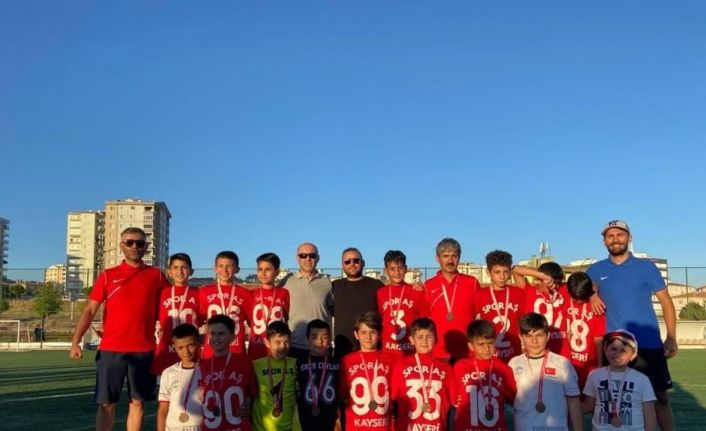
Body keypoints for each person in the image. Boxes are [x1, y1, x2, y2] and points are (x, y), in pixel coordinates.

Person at [69, 227, 169, 431]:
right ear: (121, 245)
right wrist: (75, 341)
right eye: (129, 242)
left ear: (146, 247)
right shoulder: (108, 275)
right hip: (111, 349)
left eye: (140, 243)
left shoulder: (157, 275)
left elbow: (170, 304)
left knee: (137, 402)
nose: (135, 247)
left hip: (144, 350)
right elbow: (90, 310)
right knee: (106, 403)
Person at [587, 219, 677, 431]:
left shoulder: (646, 266)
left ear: (629, 238)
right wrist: (591, 295)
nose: (615, 239)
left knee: (660, 398)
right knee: (615, 400)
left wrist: (671, 336)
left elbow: (666, 301)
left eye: (620, 234)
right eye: (610, 236)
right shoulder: (595, 270)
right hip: (614, 347)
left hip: (648, 343)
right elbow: (583, 291)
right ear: (604, 241)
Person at [508, 313, 583, 431]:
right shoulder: (514, 364)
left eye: (539, 335)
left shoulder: (562, 363)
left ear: (548, 336)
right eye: (528, 336)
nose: (534, 341)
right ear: (521, 337)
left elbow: (574, 403)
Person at [582, 330, 657, 431]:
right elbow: (588, 406)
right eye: (613, 349)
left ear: (633, 355)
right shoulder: (594, 375)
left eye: (623, 350)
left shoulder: (642, 379)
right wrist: (565, 406)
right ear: (605, 350)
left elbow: (649, 412)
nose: (617, 353)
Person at [390, 317, 456, 431]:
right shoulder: (400, 365)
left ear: (436, 339)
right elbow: (393, 399)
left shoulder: (446, 368)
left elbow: (453, 403)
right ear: (411, 340)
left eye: (429, 337)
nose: (424, 341)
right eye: (420, 337)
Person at [453, 319, 516, 431]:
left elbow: (514, 399)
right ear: (471, 346)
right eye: (481, 344)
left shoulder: (504, 368)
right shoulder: (460, 367)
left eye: (490, 343)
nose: (487, 349)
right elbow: (453, 399)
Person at [424, 238, 480, 361]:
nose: (450, 260)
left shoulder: (472, 283)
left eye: (454, 256)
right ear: (437, 258)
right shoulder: (428, 286)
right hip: (439, 352)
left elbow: (479, 316)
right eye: (445, 256)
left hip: (467, 352)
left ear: (459, 258)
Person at [338, 311, 396, 431]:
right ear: (356, 334)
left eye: (372, 332)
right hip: (356, 426)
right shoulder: (347, 361)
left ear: (379, 334)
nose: (368, 337)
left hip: (383, 425)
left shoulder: (390, 360)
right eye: (363, 332)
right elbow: (342, 394)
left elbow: (395, 394)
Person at [199, 314, 256, 431]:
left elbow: (253, 394)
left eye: (221, 334)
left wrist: (249, 406)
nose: (216, 338)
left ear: (232, 337)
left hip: (238, 427)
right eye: (212, 334)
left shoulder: (245, 362)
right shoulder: (202, 365)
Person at [152, 253, 202, 376]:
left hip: (190, 351)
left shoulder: (199, 294)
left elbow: (204, 321)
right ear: (169, 271)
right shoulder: (161, 293)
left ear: (191, 271)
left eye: (184, 267)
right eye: (175, 267)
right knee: (165, 386)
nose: (179, 271)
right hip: (166, 351)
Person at [281, 242, 333, 360]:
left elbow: (331, 309)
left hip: (321, 346)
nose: (308, 258)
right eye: (303, 255)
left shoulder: (327, 283)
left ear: (318, 258)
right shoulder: (286, 282)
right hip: (295, 346)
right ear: (297, 258)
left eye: (312, 255)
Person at [472, 251, 526, 363]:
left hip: (514, 355)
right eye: (497, 272)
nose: (502, 276)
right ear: (488, 272)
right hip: (489, 355)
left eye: (505, 272)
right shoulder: (479, 295)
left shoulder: (519, 294)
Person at [331, 247, 384, 359]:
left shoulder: (376, 285)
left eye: (356, 260)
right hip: (343, 351)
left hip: (371, 349)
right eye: (347, 262)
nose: (352, 264)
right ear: (342, 265)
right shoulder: (334, 286)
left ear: (363, 263)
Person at [198, 251, 252, 358]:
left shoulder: (245, 294)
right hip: (211, 350)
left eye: (229, 266)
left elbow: (252, 323)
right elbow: (198, 320)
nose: (225, 269)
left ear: (237, 269)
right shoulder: (204, 291)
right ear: (215, 268)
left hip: (236, 350)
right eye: (221, 266)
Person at [377, 250, 429, 358]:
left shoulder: (416, 291)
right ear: (385, 271)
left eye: (400, 268)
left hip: (410, 352)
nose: (397, 273)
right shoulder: (380, 293)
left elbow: (424, 321)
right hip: (387, 353)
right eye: (392, 269)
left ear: (406, 269)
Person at [513, 261, 569, 355]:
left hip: (561, 348)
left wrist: (593, 295)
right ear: (539, 280)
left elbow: (587, 282)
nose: (554, 286)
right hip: (536, 347)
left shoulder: (563, 289)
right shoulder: (529, 291)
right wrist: (542, 276)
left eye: (557, 282)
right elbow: (515, 270)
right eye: (550, 282)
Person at [252, 321, 298, 431]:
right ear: (267, 343)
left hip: (290, 427)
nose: (282, 347)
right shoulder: (255, 365)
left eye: (286, 342)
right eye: (277, 342)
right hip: (262, 428)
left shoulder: (296, 364)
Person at [564, 272, 605, 392]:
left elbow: (599, 337)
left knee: (589, 396)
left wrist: (600, 365)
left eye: (582, 299)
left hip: (589, 363)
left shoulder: (596, 304)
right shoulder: (563, 295)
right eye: (575, 298)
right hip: (567, 362)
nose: (578, 301)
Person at [157, 323, 203, 431]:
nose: (186, 351)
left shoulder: (207, 371)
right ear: (174, 348)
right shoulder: (168, 373)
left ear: (198, 343)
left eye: (190, 345)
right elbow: (163, 409)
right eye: (180, 348)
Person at [296, 319, 339, 431]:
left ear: (330, 340)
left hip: (330, 418)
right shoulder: (298, 363)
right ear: (307, 340)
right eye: (314, 337)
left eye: (324, 337)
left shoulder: (337, 363)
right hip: (306, 417)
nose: (320, 341)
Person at [248, 253, 290, 360]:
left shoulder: (284, 293)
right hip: (256, 347)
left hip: (276, 348)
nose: (263, 273)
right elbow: (249, 321)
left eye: (268, 269)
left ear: (277, 272)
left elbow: (286, 319)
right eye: (260, 269)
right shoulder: (251, 294)